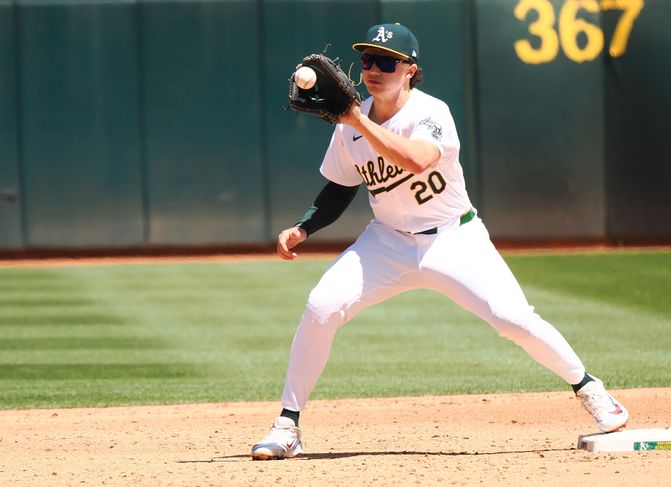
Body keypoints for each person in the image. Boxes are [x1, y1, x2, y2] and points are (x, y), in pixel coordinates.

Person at [251, 22, 628, 460]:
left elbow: (416, 160)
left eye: (386, 61)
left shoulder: (430, 113)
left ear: (409, 69)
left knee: (512, 319)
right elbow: (340, 188)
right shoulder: (349, 126)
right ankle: (287, 425)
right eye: (368, 59)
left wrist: (356, 118)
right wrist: (304, 228)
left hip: (454, 238)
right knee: (321, 305)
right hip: (387, 242)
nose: (374, 69)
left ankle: (590, 389)